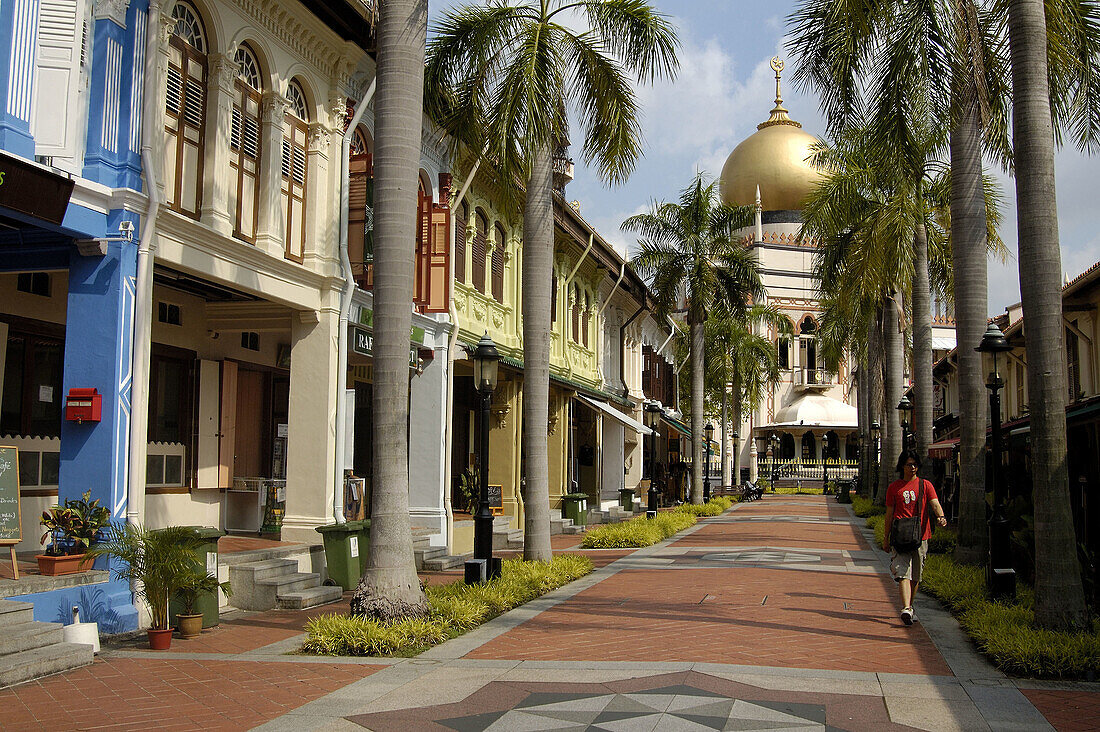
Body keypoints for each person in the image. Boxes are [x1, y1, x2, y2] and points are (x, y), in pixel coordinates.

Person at [883, 449, 948, 625]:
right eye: (909, 464)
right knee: (903, 573)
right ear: (902, 466)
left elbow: (935, 503)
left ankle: (909, 607)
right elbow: (889, 514)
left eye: (914, 464)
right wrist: (885, 537)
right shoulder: (894, 487)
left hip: (921, 536)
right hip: (900, 536)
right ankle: (905, 608)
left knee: (916, 576)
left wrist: (940, 516)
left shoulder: (925, 485)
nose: (912, 467)